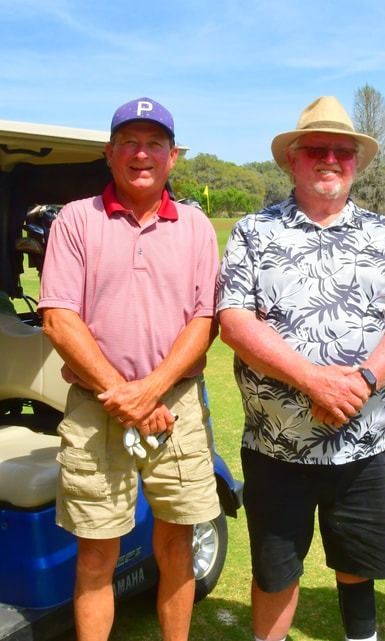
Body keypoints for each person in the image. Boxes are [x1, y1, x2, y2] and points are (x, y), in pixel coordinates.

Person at [216, 96, 385, 641]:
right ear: (293, 159)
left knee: (358, 565)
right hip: (276, 448)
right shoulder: (253, 232)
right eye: (316, 149)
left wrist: (359, 383)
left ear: (356, 162)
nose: (330, 159)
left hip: (362, 447)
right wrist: (312, 381)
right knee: (275, 571)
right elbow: (235, 322)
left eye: (343, 150)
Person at [38, 97, 221, 641]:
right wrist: (125, 394)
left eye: (154, 144)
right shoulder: (76, 219)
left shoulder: (195, 226)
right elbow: (58, 317)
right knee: (96, 553)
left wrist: (154, 390)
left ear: (173, 156)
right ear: (110, 153)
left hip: (177, 408)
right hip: (99, 408)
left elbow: (204, 319)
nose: (142, 154)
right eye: (130, 143)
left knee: (177, 545)